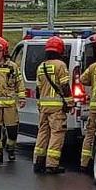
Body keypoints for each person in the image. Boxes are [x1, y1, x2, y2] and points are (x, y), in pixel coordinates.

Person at [33, 35, 72, 174]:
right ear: (60, 50)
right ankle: (52, 164)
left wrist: (39, 104)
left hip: (43, 106)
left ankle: (38, 161)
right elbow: (65, 86)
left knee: (42, 133)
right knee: (57, 134)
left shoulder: (41, 66)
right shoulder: (60, 65)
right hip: (56, 107)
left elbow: (38, 89)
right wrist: (69, 102)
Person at [77, 46, 96, 169]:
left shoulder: (94, 66)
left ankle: (84, 163)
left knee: (90, 134)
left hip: (93, 107)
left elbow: (82, 79)